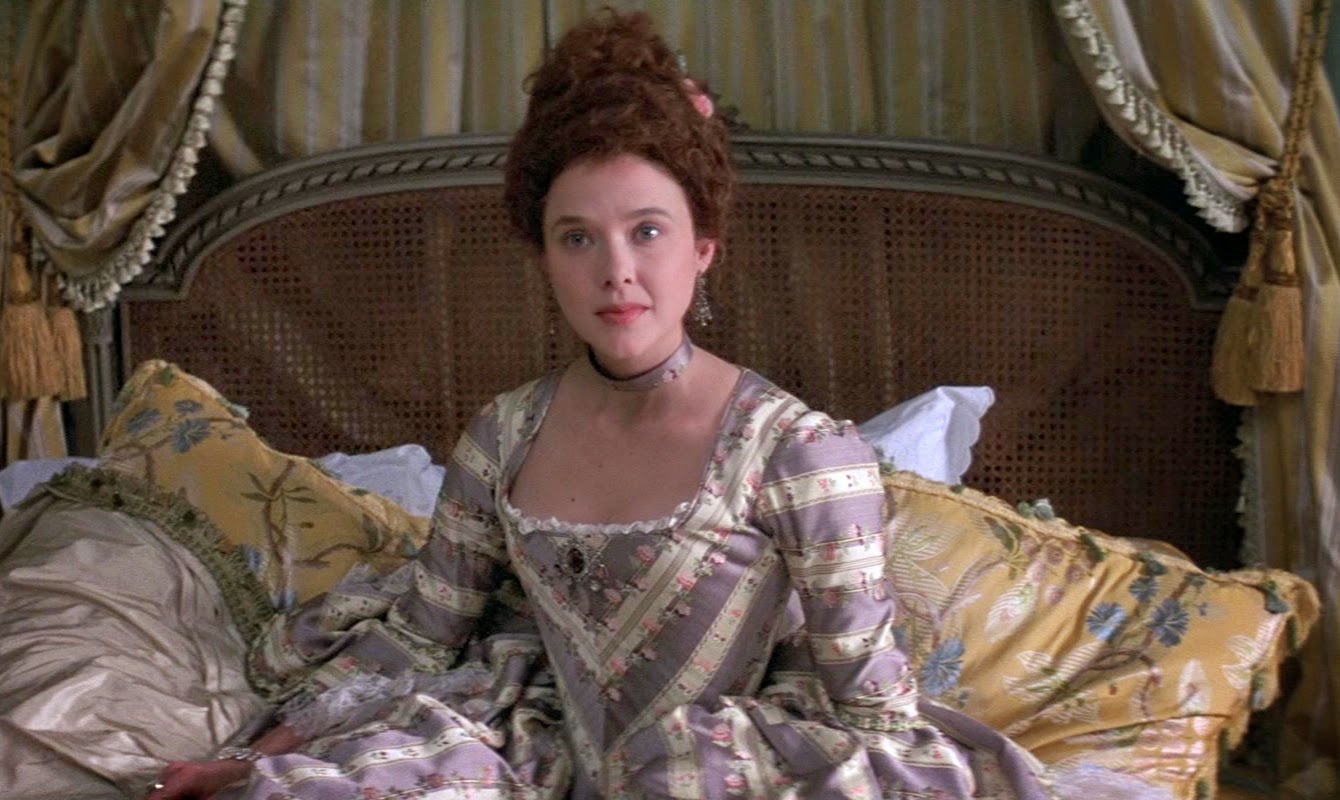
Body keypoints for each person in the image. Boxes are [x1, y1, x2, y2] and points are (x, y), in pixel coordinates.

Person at [148, 11, 1058, 800]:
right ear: (544, 257)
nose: (616, 271)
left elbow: (870, 705)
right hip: (534, 749)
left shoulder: (797, 452)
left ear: (704, 246)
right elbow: (424, 636)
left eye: (647, 231)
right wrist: (253, 760)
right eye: (577, 237)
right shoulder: (503, 435)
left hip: (712, 767)